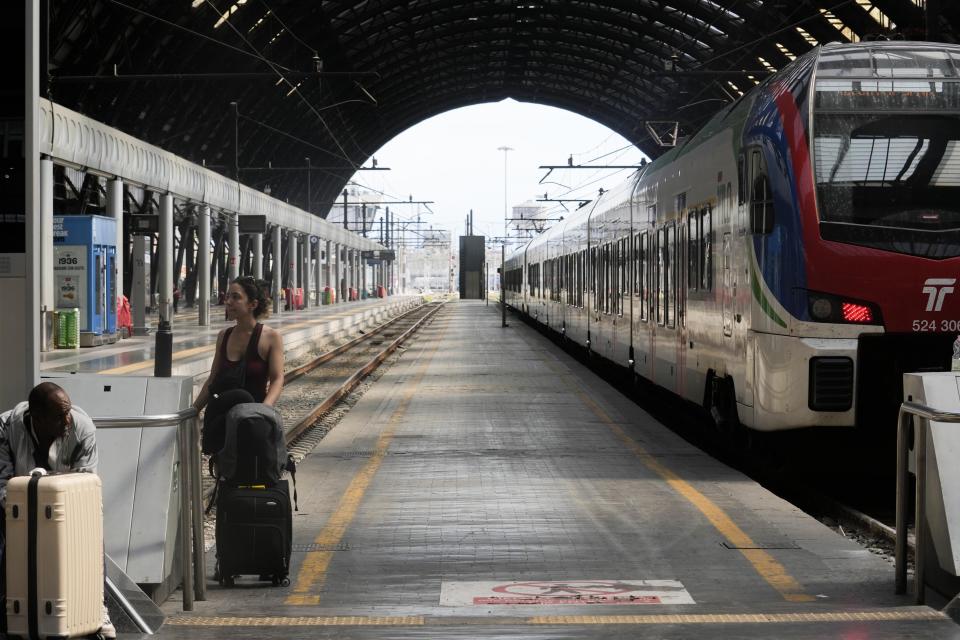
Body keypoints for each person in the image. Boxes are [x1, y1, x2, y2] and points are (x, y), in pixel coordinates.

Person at [0, 382, 115, 638]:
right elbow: (1, 481)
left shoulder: (81, 429)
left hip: (65, 505)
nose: (67, 419)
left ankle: (98, 606)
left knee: (90, 531)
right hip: (15, 505)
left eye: (68, 411)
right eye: (59, 415)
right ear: (38, 418)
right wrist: (24, 510)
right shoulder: (5, 428)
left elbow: (85, 485)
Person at [194, 277, 284, 454]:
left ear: (253, 304)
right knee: (227, 473)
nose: (228, 302)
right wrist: (194, 409)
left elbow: (277, 378)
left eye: (236, 297)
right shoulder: (224, 336)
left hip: (254, 418)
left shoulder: (271, 337)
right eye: (228, 297)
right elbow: (213, 378)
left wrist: (264, 409)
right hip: (223, 419)